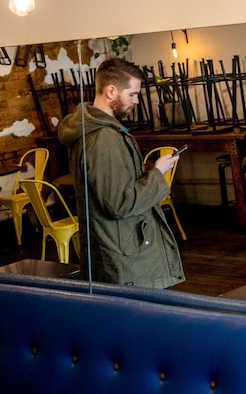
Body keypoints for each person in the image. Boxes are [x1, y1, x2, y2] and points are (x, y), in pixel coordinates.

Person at [58, 58, 184, 288]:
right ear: (111, 90)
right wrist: (158, 173)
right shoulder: (103, 138)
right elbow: (119, 203)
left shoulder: (99, 131)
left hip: (122, 247)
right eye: (132, 94)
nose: (136, 101)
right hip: (125, 256)